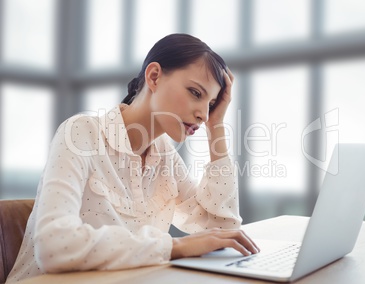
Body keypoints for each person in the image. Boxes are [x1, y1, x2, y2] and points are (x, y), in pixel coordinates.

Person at [6, 33, 259, 283]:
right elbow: (53, 247)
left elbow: (223, 231)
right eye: (195, 93)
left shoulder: (165, 157)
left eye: (211, 104)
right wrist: (174, 246)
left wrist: (216, 127)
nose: (203, 113)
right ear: (154, 76)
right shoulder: (81, 133)